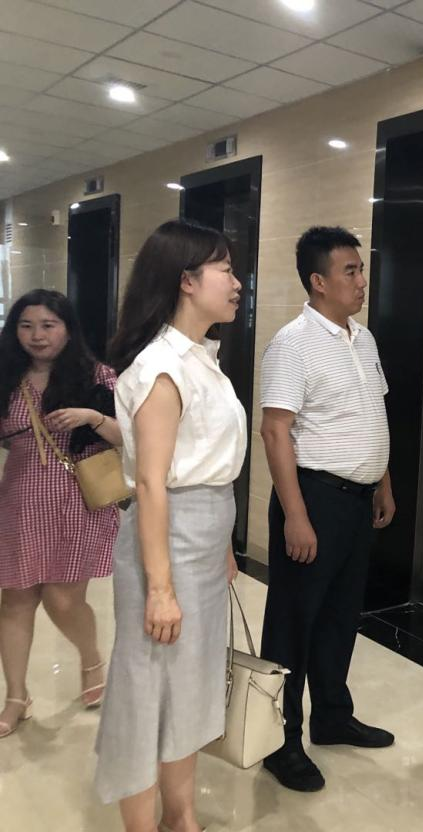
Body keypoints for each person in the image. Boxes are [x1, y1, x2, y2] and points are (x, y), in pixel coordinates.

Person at [94, 220, 246, 832]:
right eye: (226, 270)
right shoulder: (162, 367)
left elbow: (207, 468)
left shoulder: (200, 358)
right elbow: (154, 484)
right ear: (187, 280)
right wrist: (160, 588)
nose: (237, 282)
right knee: (146, 689)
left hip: (201, 539)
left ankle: (180, 818)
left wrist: (222, 545)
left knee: (189, 684)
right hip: (168, 543)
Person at [259, 225, 396, 793]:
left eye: (361, 270)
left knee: (341, 616)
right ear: (318, 281)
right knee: (293, 622)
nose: (362, 281)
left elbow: (371, 413)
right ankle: (279, 741)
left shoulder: (363, 339)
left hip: (357, 502)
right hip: (313, 499)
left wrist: (383, 482)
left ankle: (333, 716)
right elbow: (275, 431)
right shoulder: (292, 343)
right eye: (350, 271)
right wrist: (295, 515)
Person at [0, 290, 123, 738]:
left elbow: (128, 437)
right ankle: (16, 696)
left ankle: (90, 658)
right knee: (15, 600)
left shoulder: (98, 376)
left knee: (63, 599)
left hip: (76, 501)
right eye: (26, 325)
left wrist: (92, 417)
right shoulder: (7, 376)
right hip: (19, 501)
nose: (37, 335)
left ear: (68, 330)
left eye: (48, 325)